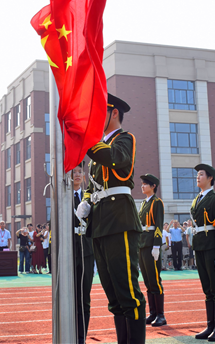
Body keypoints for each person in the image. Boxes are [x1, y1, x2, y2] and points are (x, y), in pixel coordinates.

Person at [76, 93, 145, 343]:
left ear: (113, 112)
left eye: (98, 112)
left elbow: (115, 160)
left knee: (128, 293)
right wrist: (85, 199)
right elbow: (93, 183)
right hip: (100, 222)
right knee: (114, 296)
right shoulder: (100, 145)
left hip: (120, 219)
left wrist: (86, 138)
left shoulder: (124, 139)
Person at [190, 163, 215, 341]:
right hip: (200, 246)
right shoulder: (196, 199)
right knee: (207, 288)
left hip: (212, 245)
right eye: (197, 175)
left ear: (210, 178)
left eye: (201, 174)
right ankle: (210, 326)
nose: (198, 177)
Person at [138, 173, 166, 327]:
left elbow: (159, 225)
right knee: (148, 280)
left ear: (153, 186)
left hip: (151, 245)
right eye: (142, 184)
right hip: (142, 244)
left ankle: (161, 315)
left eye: (145, 184)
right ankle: (153, 313)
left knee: (155, 280)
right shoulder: (144, 203)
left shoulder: (157, 202)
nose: (142, 186)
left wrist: (156, 245)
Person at [72, 163, 95, 344]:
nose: (77, 175)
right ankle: (69, 334)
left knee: (84, 296)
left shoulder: (89, 198)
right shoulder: (62, 197)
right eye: (74, 172)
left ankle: (82, 337)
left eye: (80, 172)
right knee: (70, 296)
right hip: (69, 253)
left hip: (87, 251)